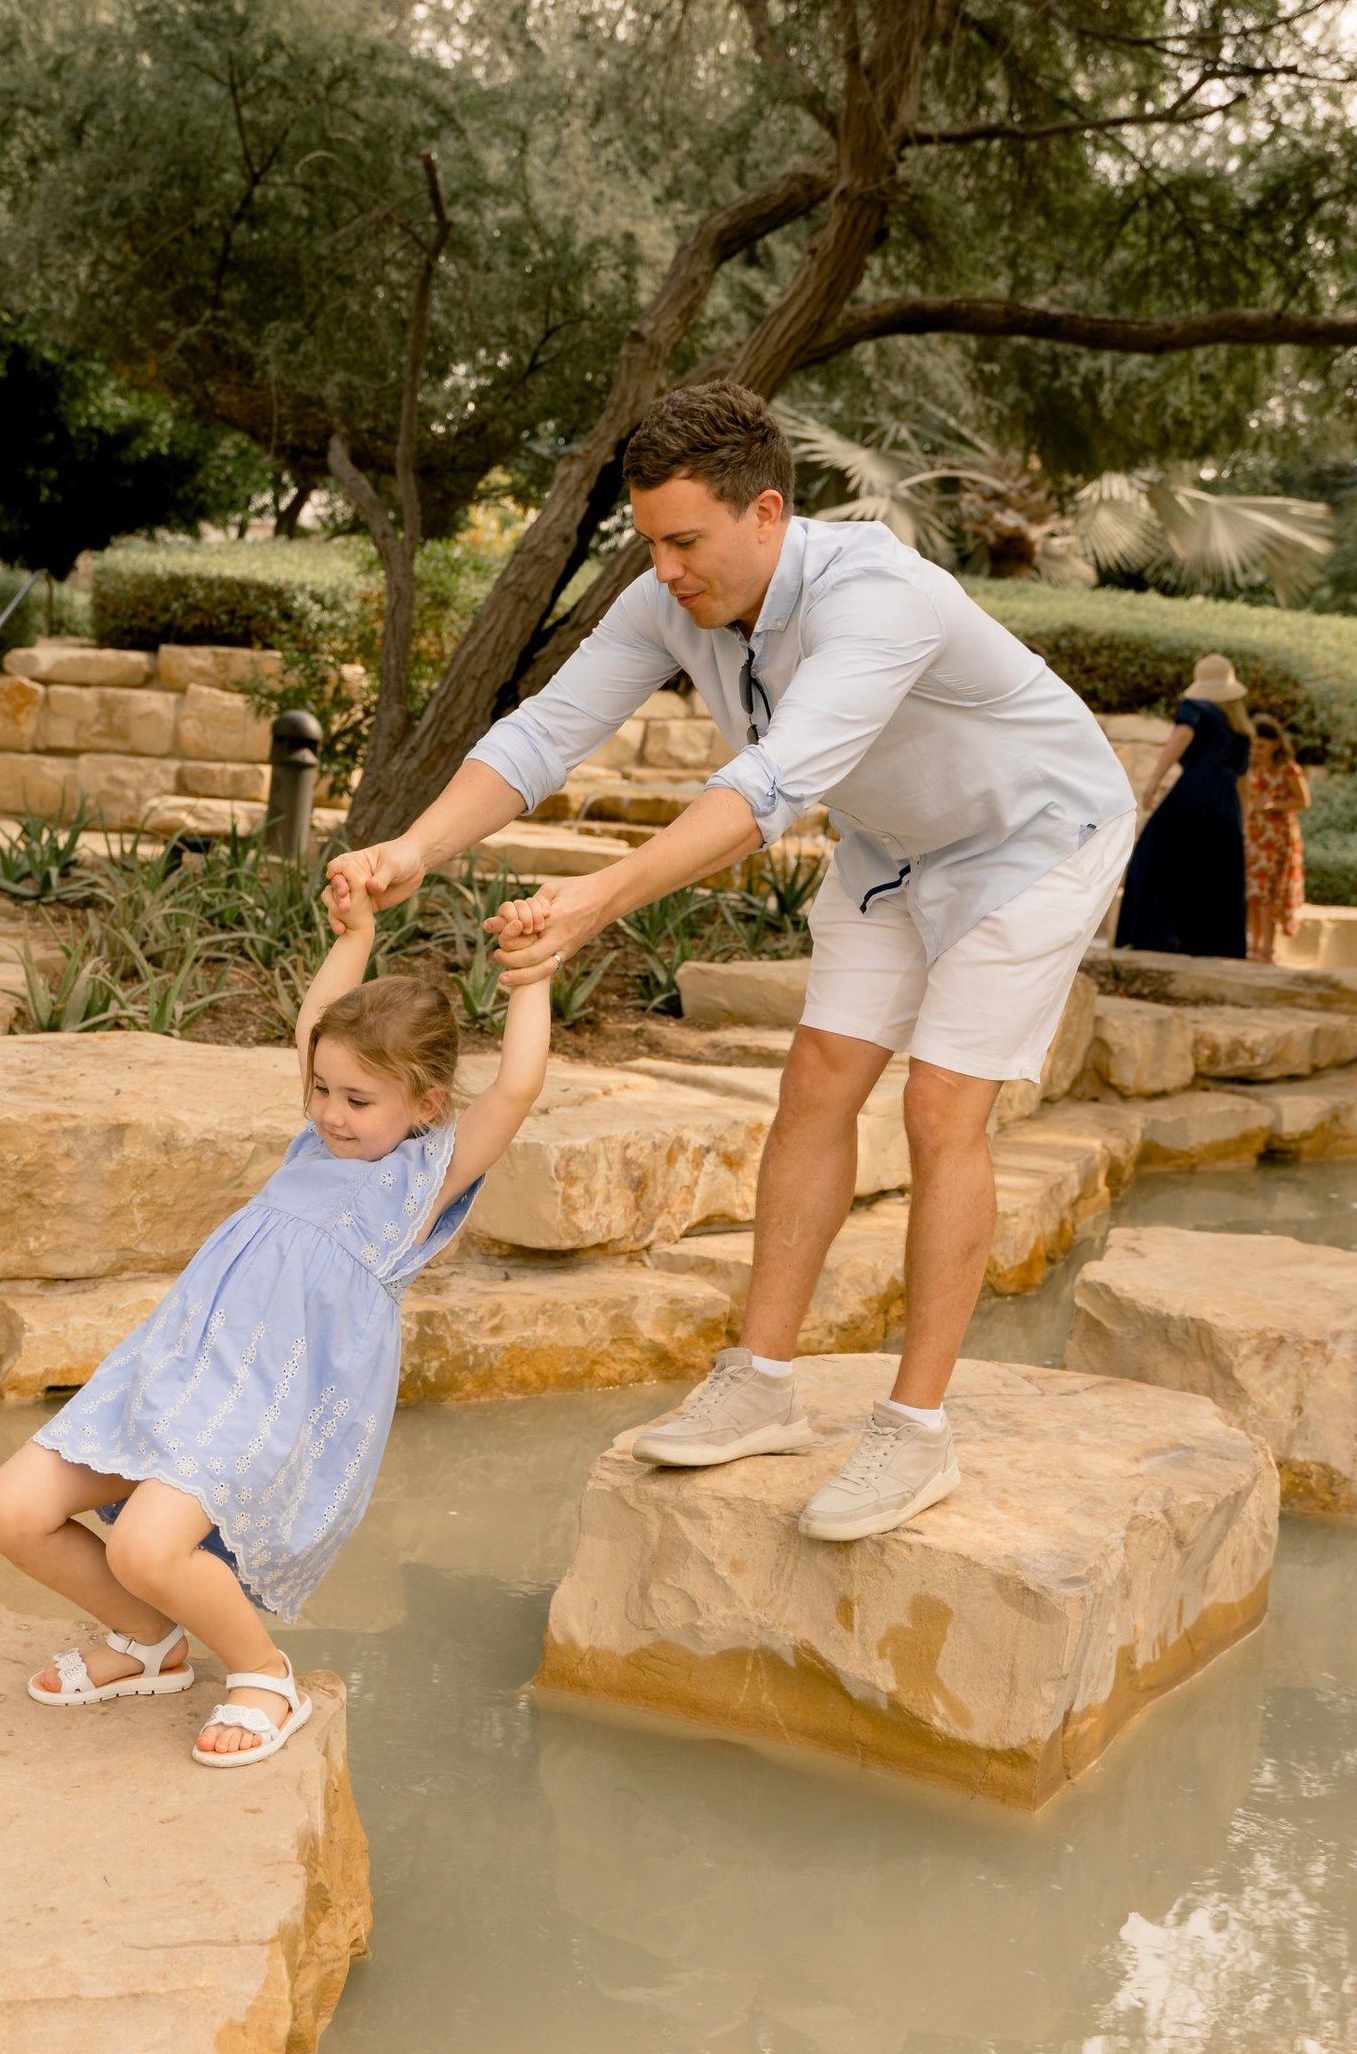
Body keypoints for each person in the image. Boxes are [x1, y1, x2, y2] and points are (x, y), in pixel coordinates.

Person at [326, 378, 1136, 1543]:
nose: (665, 570)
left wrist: (597, 898)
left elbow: (769, 789)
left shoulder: (880, 597)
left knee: (941, 1110)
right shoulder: (674, 596)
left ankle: (914, 1436)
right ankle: (759, 1382)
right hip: (893, 844)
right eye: (651, 543)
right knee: (814, 1082)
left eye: (685, 541)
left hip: (1034, 840)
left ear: (766, 513)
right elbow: (549, 730)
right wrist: (415, 846)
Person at [0, 887, 551, 1764]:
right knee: (10, 1510)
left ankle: (263, 1675)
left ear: (424, 1106)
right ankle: (149, 1644)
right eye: (322, 1088)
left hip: (268, 1404)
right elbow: (320, 1016)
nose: (329, 1112)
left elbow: (515, 1087)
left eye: (358, 1101)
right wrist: (354, 933)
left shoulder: (420, 1184)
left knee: (144, 1545)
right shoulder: (316, 1145)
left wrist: (532, 976)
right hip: (176, 1373)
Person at [1113, 652, 1251, 959]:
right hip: (1226, 803)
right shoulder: (1241, 726)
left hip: (1195, 792)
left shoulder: (1196, 708)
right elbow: (1244, 779)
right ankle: (1210, 942)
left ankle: (1157, 934)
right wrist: (1243, 817)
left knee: (1157, 856)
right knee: (1214, 868)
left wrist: (1153, 781)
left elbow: (1182, 735)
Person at [1241, 708, 1310, 964]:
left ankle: (1268, 948)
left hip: (1277, 836)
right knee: (1254, 892)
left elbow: (1303, 800)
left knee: (1269, 893)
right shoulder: (1251, 768)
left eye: (1261, 746)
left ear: (1275, 744)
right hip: (1255, 834)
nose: (1255, 751)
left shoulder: (1287, 769)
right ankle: (1256, 944)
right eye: (1253, 746)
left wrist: (1275, 804)